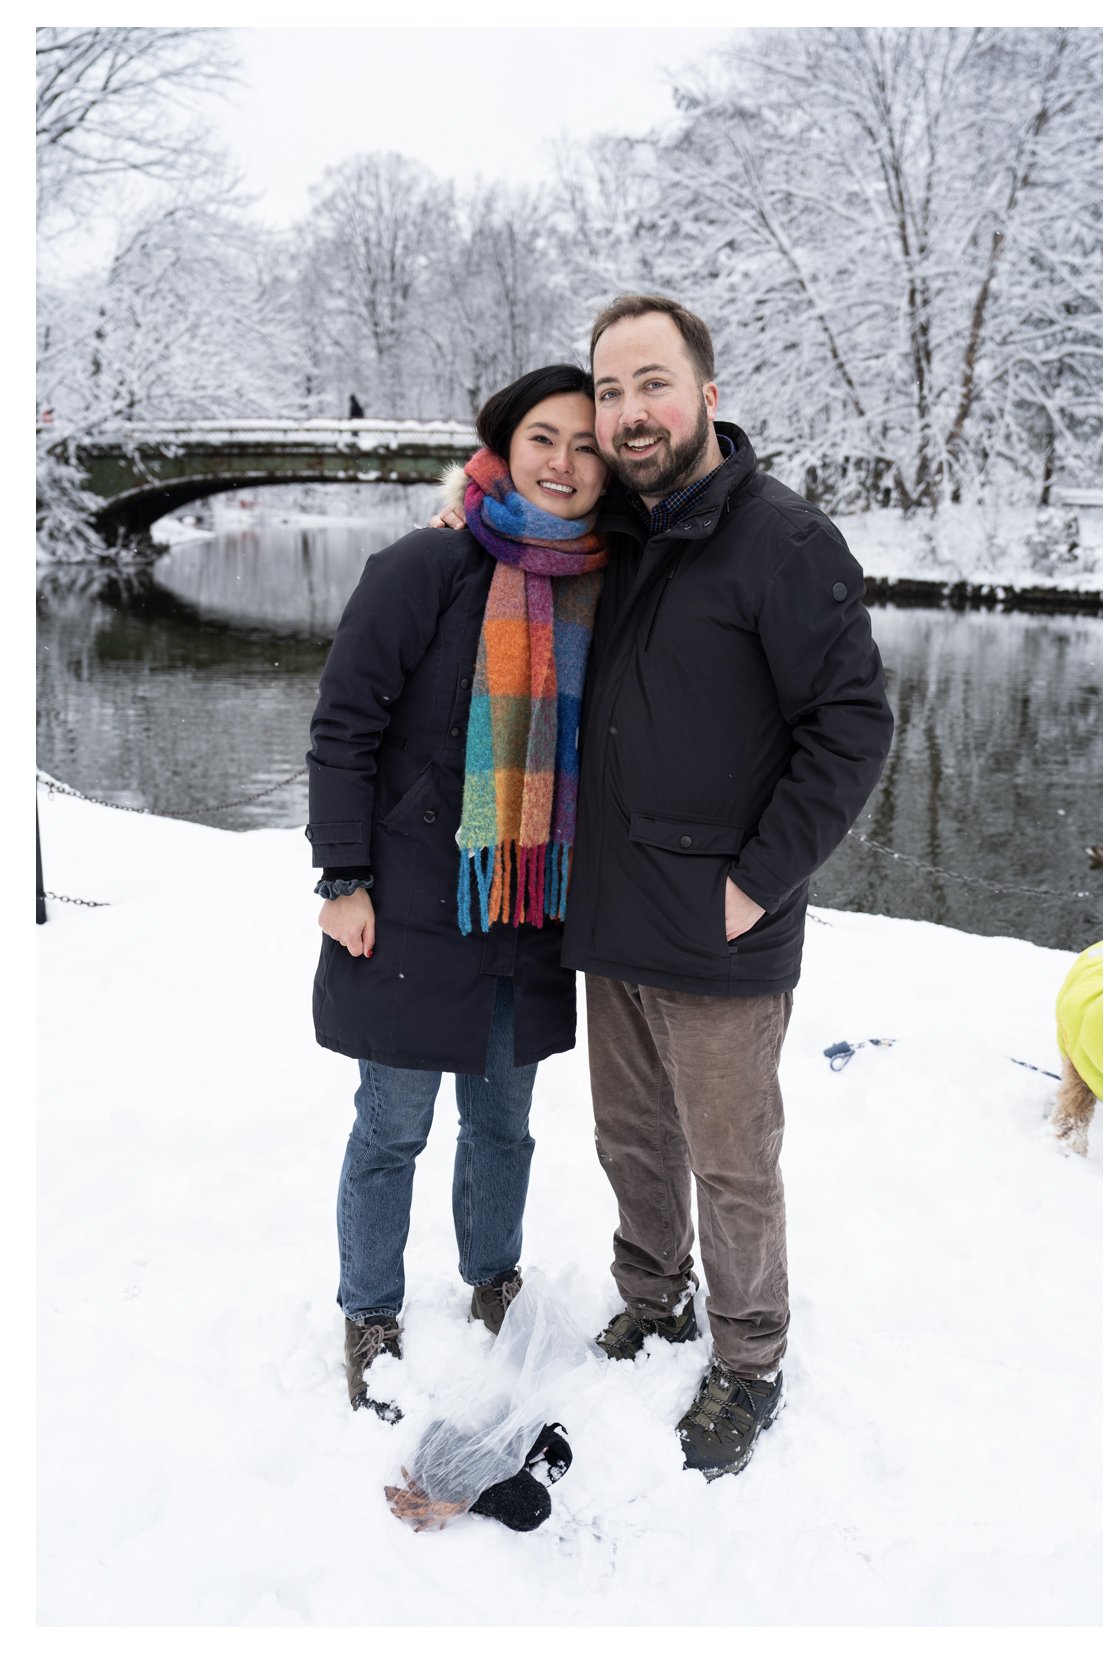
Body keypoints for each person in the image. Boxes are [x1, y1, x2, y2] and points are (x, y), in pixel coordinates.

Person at [563, 294, 893, 1478]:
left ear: (707, 393)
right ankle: (651, 1298)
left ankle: (749, 1358)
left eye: (652, 383)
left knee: (731, 1158)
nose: (627, 412)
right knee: (630, 1140)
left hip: (720, 919)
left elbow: (852, 727)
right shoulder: (618, 532)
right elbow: (511, 514)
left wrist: (759, 879)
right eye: (608, 391)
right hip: (614, 910)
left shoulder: (783, 543)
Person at [307, 364, 614, 1421]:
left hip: (529, 906)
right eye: (543, 437)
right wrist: (342, 874)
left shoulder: (603, 580)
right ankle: (371, 1310)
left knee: (504, 1125)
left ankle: (494, 1281)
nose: (563, 463)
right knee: (391, 1123)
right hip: (411, 901)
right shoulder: (427, 565)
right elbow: (345, 722)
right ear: (502, 442)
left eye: (586, 444)